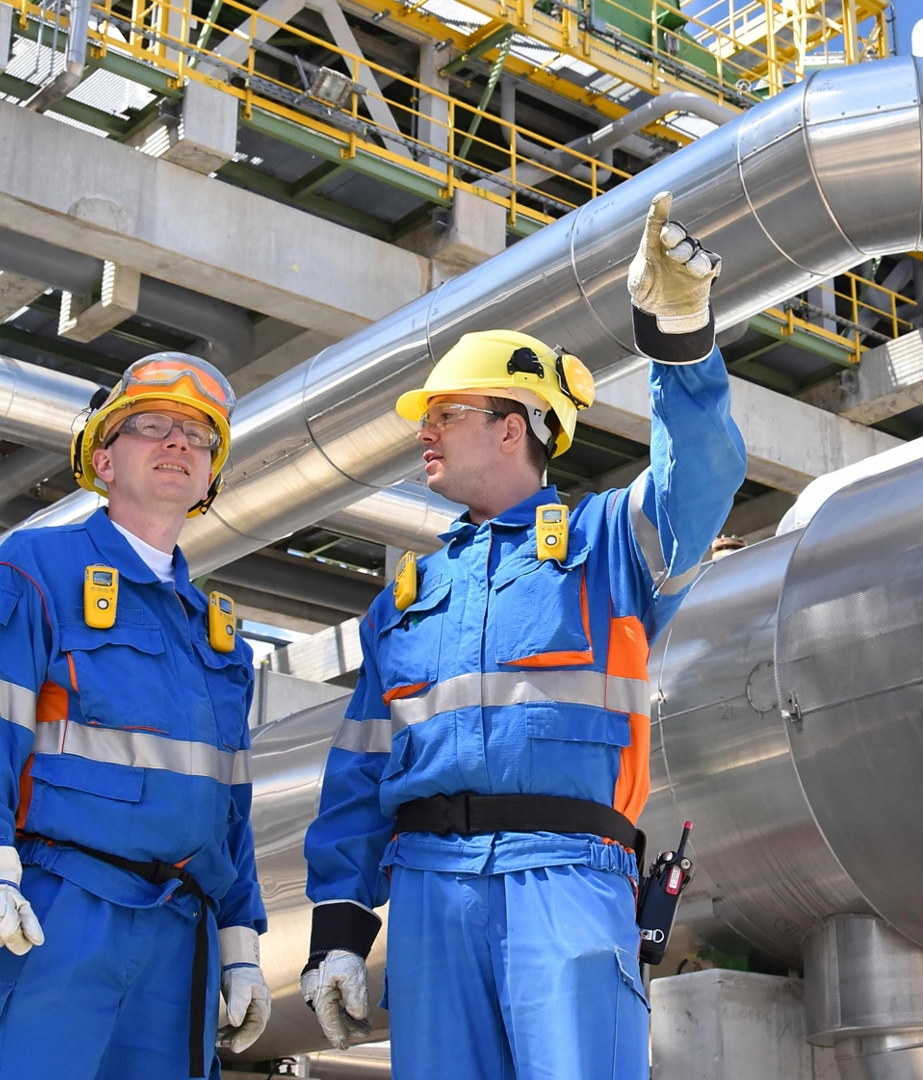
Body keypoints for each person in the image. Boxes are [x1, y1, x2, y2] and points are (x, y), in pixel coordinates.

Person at [299, 189, 746, 1078]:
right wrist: (341, 931)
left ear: (514, 427)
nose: (423, 431)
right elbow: (359, 770)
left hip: (568, 880)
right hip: (429, 893)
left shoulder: (604, 546)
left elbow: (700, 477)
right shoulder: (410, 595)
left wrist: (681, 340)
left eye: (446, 414)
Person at [0, 353, 269, 1079]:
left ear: (209, 478)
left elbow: (229, 804)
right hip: (61, 908)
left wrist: (240, 939)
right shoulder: (34, 569)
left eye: (198, 437)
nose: (177, 443)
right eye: (151, 427)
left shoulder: (220, 636)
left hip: (183, 930)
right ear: (103, 462)